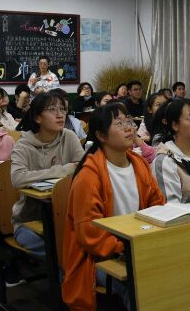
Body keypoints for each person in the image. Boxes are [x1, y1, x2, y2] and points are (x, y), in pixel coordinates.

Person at [62, 103, 166, 311]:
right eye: (118, 124)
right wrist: (126, 248)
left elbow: (157, 204)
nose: (128, 127)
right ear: (101, 135)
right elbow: (90, 234)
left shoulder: (138, 164)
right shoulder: (88, 176)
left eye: (128, 121)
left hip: (138, 245)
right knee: (142, 290)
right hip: (100, 257)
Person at [10, 93, 85, 256]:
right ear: (38, 117)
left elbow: (83, 168)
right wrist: (65, 169)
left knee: (80, 246)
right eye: (52, 110)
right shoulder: (23, 145)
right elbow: (17, 179)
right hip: (29, 220)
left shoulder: (69, 136)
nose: (60, 115)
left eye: (62, 109)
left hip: (66, 216)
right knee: (58, 251)